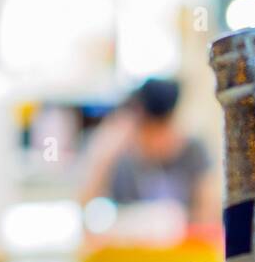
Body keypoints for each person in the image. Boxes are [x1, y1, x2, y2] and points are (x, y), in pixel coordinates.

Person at [76, 77, 214, 225]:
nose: (157, 140)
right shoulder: (122, 158)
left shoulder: (193, 151)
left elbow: (209, 216)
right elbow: (84, 209)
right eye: (149, 131)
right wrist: (104, 151)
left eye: (163, 129)